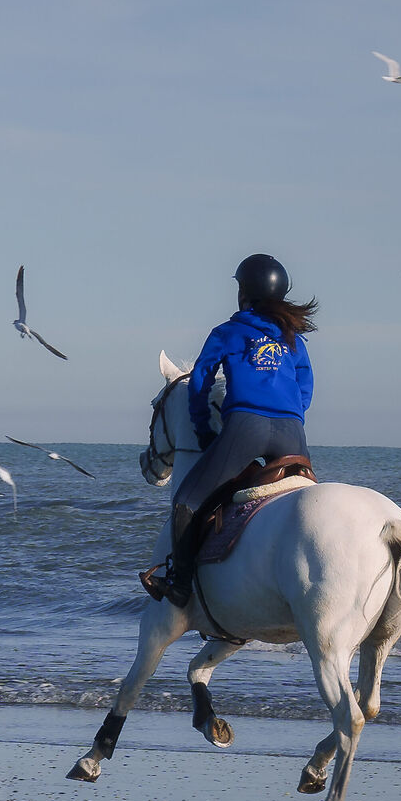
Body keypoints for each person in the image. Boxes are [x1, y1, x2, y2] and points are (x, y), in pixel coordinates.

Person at [144, 253, 316, 608]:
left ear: (244, 293)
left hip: (245, 428)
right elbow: (306, 387)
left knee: (187, 501)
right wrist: (290, 415)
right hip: (293, 435)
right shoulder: (292, 337)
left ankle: (179, 582)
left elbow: (199, 384)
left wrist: (206, 431)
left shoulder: (227, 332)